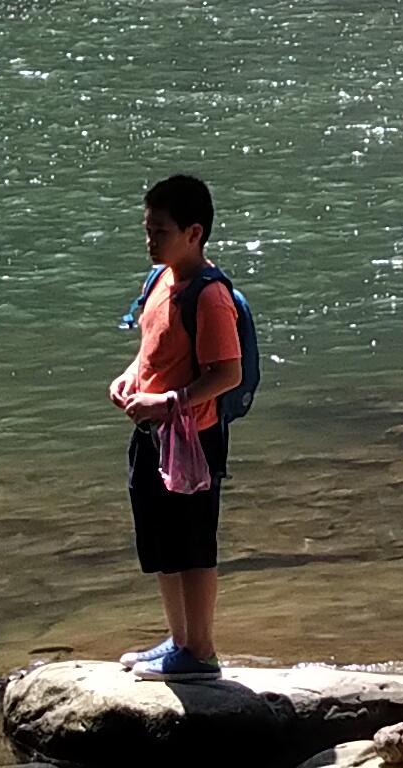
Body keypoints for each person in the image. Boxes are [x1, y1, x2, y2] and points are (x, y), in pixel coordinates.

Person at [110, 172, 245, 680]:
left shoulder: (209, 296)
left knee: (191, 542)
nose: (150, 240)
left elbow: (226, 374)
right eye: (147, 229)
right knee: (160, 541)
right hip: (152, 431)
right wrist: (128, 379)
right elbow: (153, 349)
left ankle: (202, 653)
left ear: (194, 232)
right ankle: (180, 640)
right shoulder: (160, 279)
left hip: (192, 438)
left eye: (160, 231)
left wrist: (168, 402)